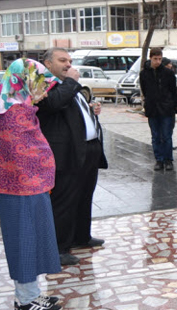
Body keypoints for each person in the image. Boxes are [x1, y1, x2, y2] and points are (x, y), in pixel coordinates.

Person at [0, 58, 63, 310]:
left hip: (32, 187)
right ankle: (25, 300)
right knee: (23, 240)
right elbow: (20, 152)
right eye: (40, 85)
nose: (43, 92)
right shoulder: (10, 113)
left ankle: (32, 292)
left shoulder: (20, 107)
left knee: (34, 239)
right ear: (23, 82)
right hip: (18, 188)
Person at [38, 47, 108, 266]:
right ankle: (58, 248)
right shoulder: (43, 83)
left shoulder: (68, 84)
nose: (68, 64)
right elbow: (53, 103)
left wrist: (89, 108)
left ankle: (81, 236)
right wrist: (71, 81)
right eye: (62, 60)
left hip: (88, 149)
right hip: (66, 152)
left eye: (69, 60)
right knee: (64, 200)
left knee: (84, 195)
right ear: (48, 64)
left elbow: (68, 108)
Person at [140, 48, 177, 171]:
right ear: (150, 58)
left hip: (166, 108)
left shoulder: (168, 73)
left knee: (166, 135)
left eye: (160, 59)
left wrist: (173, 106)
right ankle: (159, 160)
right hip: (152, 108)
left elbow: (173, 90)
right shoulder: (144, 73)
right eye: (155, 59)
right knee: (155, 136)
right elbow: (145, 90)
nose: (157, 61)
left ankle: (168, 160)